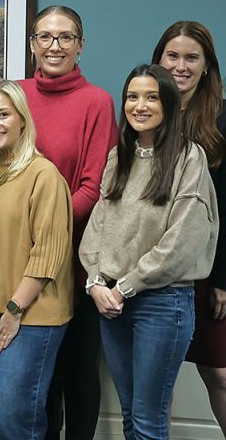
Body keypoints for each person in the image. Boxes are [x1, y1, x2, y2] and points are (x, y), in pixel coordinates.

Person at [80, 64, 218, 440]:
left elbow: (182, 241)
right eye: (132, 96)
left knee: (148, 421)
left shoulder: (189, 158)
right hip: (111, 304)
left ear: (169, 104)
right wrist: (95, 282)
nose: (140, 105)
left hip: (162, 303)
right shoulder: (118, 157)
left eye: (152, 97)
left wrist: (124, 286)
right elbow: (98, 227)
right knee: (130, 416)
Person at [17, 5, 119, 440]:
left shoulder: (98, 102)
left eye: (65, 37)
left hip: (76, 262)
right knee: (35, 380)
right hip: (16, 259)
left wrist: (47, 236)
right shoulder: (15, 95)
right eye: (45, 37)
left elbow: (96, 186)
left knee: (76, 372)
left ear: (81, 45)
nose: (54, 46)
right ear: (32, 45)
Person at [0, 79, 73, 439]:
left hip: (33, 311)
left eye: (3, 114)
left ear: (22, 119)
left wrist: (14, 309)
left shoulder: (43, 175)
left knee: (9, 415)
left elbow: (48, 254)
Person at [152, 21, 226, 436]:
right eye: (172, 56)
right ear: (159, 59)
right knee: (159, 384)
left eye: (191, 57)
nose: (180, 66)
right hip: (153, 273)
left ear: (206, 65)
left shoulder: (221, 117)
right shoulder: (143, 111)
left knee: (220, 375)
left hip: (206, 273)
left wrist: (223, 280)